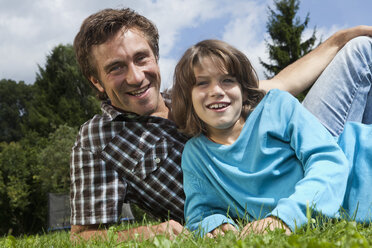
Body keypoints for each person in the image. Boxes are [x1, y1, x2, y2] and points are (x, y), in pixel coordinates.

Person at [70, 7, 372, 241]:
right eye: (116, 68)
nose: (136, 77)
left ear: (156, 58)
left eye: (141, 58)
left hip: (287, 162)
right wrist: (152, 231)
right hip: (257, 201)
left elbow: (279, 85)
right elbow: (82, 236)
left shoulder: (195, 95)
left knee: (359, 50)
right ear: (96, 80)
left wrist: (338, 40)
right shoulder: (97, 141)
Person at [172, 39, 372, 237]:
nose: (216, 91)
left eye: (227, 80)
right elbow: (201, 212)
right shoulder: (196, 155)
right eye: (202, 83)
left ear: (242, 89)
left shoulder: (277, 106)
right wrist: (214, 223)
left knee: (363, 46)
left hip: (361, 163)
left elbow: (329, 161)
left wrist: (284, 218)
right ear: (187, 96)